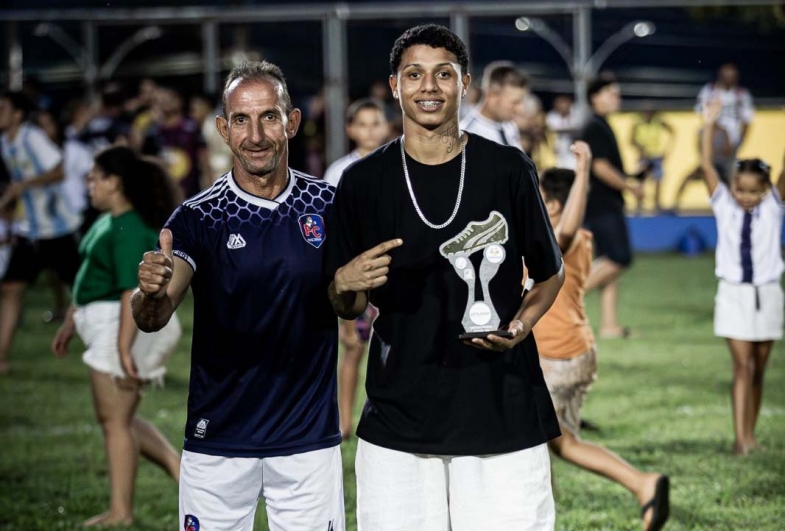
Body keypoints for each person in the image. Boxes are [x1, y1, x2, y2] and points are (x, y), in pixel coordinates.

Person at [326, 24, 565, 530]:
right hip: (401, 412)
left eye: (443, 74)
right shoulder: (363, 182)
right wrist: (345, 284)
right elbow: (346, 305)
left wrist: (519, 328)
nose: (428, 86)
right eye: (414, 74)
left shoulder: (507, 168)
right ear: (395, 86)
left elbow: (550, 273)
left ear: (465, 84)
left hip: (501, 402)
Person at [131, 61, 345, 531]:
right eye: (242, 120)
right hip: (218, 439)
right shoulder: (196, 218)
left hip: (307, 440)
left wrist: (353, 287)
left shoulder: (329, 206)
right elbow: (154, 314)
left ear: (291, 122)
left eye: (269, 117)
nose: (256, 135)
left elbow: (347, 305)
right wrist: (147, 293)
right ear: (224, 130)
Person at [534, 141, 670, 531]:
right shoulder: (558, 237)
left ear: (555, 205)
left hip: (557, 357)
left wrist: (584, 171)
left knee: (531, 441)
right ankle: (643, 484)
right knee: (562, 443)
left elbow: (568, 229)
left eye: (537, 198)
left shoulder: (563, 235)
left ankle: (532, 516)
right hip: (571, 351)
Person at [50, 146, 182, 527]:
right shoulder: (110, 220)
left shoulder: (128, 226)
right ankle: (180, 471)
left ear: (115, 182)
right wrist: (71, 321)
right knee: (120, 418)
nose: (89, 183)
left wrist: (124, 348)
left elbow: (131, 291)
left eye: (95, 176)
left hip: (118, 327)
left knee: (115, 423)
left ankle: (121, 512)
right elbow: (92, 280)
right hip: (105, 325)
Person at [700, 99, 783, 456]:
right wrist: (708, 124)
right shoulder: (723, 204)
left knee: (760, 369)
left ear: (765, 190)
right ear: (733, 185)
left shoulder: (774, 205)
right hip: (733, 293)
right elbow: (705, 163)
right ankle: (740, 441)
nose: (746, 197)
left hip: (768, 293)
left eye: (753, 191)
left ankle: (751, 435)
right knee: (743, 366)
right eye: (741, 189)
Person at [0, 91, 82, 375]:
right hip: (30, 230)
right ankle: (1, 359)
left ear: (17, 115)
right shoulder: (4, 142)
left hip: (58, 227)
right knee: (11, 289)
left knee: (86, 287)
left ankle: (120, 341)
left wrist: (23, 186)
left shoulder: (30, 136)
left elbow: (59, 172)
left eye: (2, 108)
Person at [323, 98, 389, 439]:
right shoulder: (339, 172)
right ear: (350, 130)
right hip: (356, 272)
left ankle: (381, 413)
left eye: (375, 123)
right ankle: (344, 420)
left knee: (389, 345)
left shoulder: (396, 166)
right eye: (361, 124)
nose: (369, 131)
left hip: (390, 271)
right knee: (352, 346)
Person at [579, 73, 642, 339]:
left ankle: (609, 326)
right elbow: (601, 166)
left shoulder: (600, 125)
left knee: (609, 265)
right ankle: (564, 300)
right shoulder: (595, 127)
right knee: (619, 258)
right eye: (611, 93)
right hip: (602, 205)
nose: (617, 98)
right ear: (596, 98)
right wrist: (629, 185)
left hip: (602, 204)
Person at [142, 86, 209, 198]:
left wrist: (209, 186)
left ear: (180, 101)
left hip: (191, 191)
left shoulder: (192, 128)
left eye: (171, 98)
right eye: (163, 100)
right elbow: (146, 161)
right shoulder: (153, 132)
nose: (167, 102)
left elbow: (203, 158)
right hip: (164, 193)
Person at [696, 63, 754, 181]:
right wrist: (721, 132)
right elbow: (703, 113)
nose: (729, 78)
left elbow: (747, 120)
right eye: (726, 75)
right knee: (708, 168)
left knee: (731, 175)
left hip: (733, 141)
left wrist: (738, 144)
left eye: (732, 75)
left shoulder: (742, 94)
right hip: (713, 136)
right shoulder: (709, 90)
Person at [460, 61, 527, 149]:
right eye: (515, 102)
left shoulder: (509, 125)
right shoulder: (467, 137)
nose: (520, 109)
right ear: (491, 96)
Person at [631, 107, 674, 212]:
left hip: (656, 155)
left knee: (658, 179)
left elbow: (672, 131)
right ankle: (639, 204)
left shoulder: (658, 123)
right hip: (644, 156)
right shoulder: (638, 124)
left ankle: (657, 204)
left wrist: (666, 150)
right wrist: (640, 149)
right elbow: (631, 140)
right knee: (641, 180)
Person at [546, 94, 581, 170]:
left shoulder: (576, 114)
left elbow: (578, 128)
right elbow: (548, 130)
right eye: (560, 103)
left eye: (565, 103)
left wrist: (558, 130)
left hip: (571, 153)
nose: (563, 106)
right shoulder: (551, 116)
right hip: (556, 153)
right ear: (556, 105)